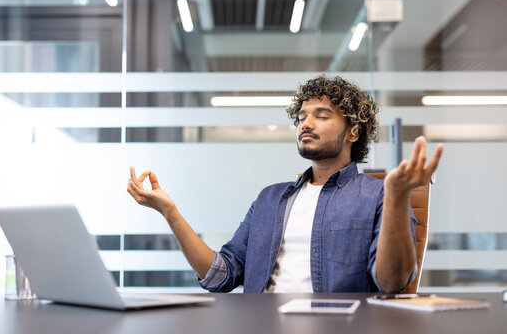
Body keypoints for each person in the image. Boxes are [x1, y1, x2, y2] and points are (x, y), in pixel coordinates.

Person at [127, 75, 443, 293]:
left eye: (322, 115)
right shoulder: (270, 199)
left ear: (353, 132)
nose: (305, 123)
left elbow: (392, 283)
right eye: (302, 116)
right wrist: (170, 212)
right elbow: (220, 276)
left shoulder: (378, 195)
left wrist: (398, 196)